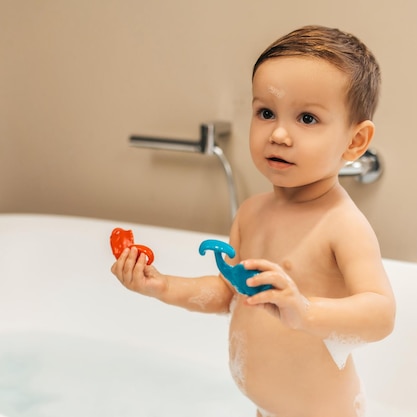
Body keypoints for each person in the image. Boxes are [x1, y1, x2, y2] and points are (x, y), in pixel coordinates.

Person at [111, 25, 395, 417]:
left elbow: (381, 314)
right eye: (266, 112)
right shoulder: (251, 212)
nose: (278, 133)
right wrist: (161, 286)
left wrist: (305, 311)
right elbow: (231, 295)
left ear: (355, 142)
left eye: (307, 119)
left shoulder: (340, 224)